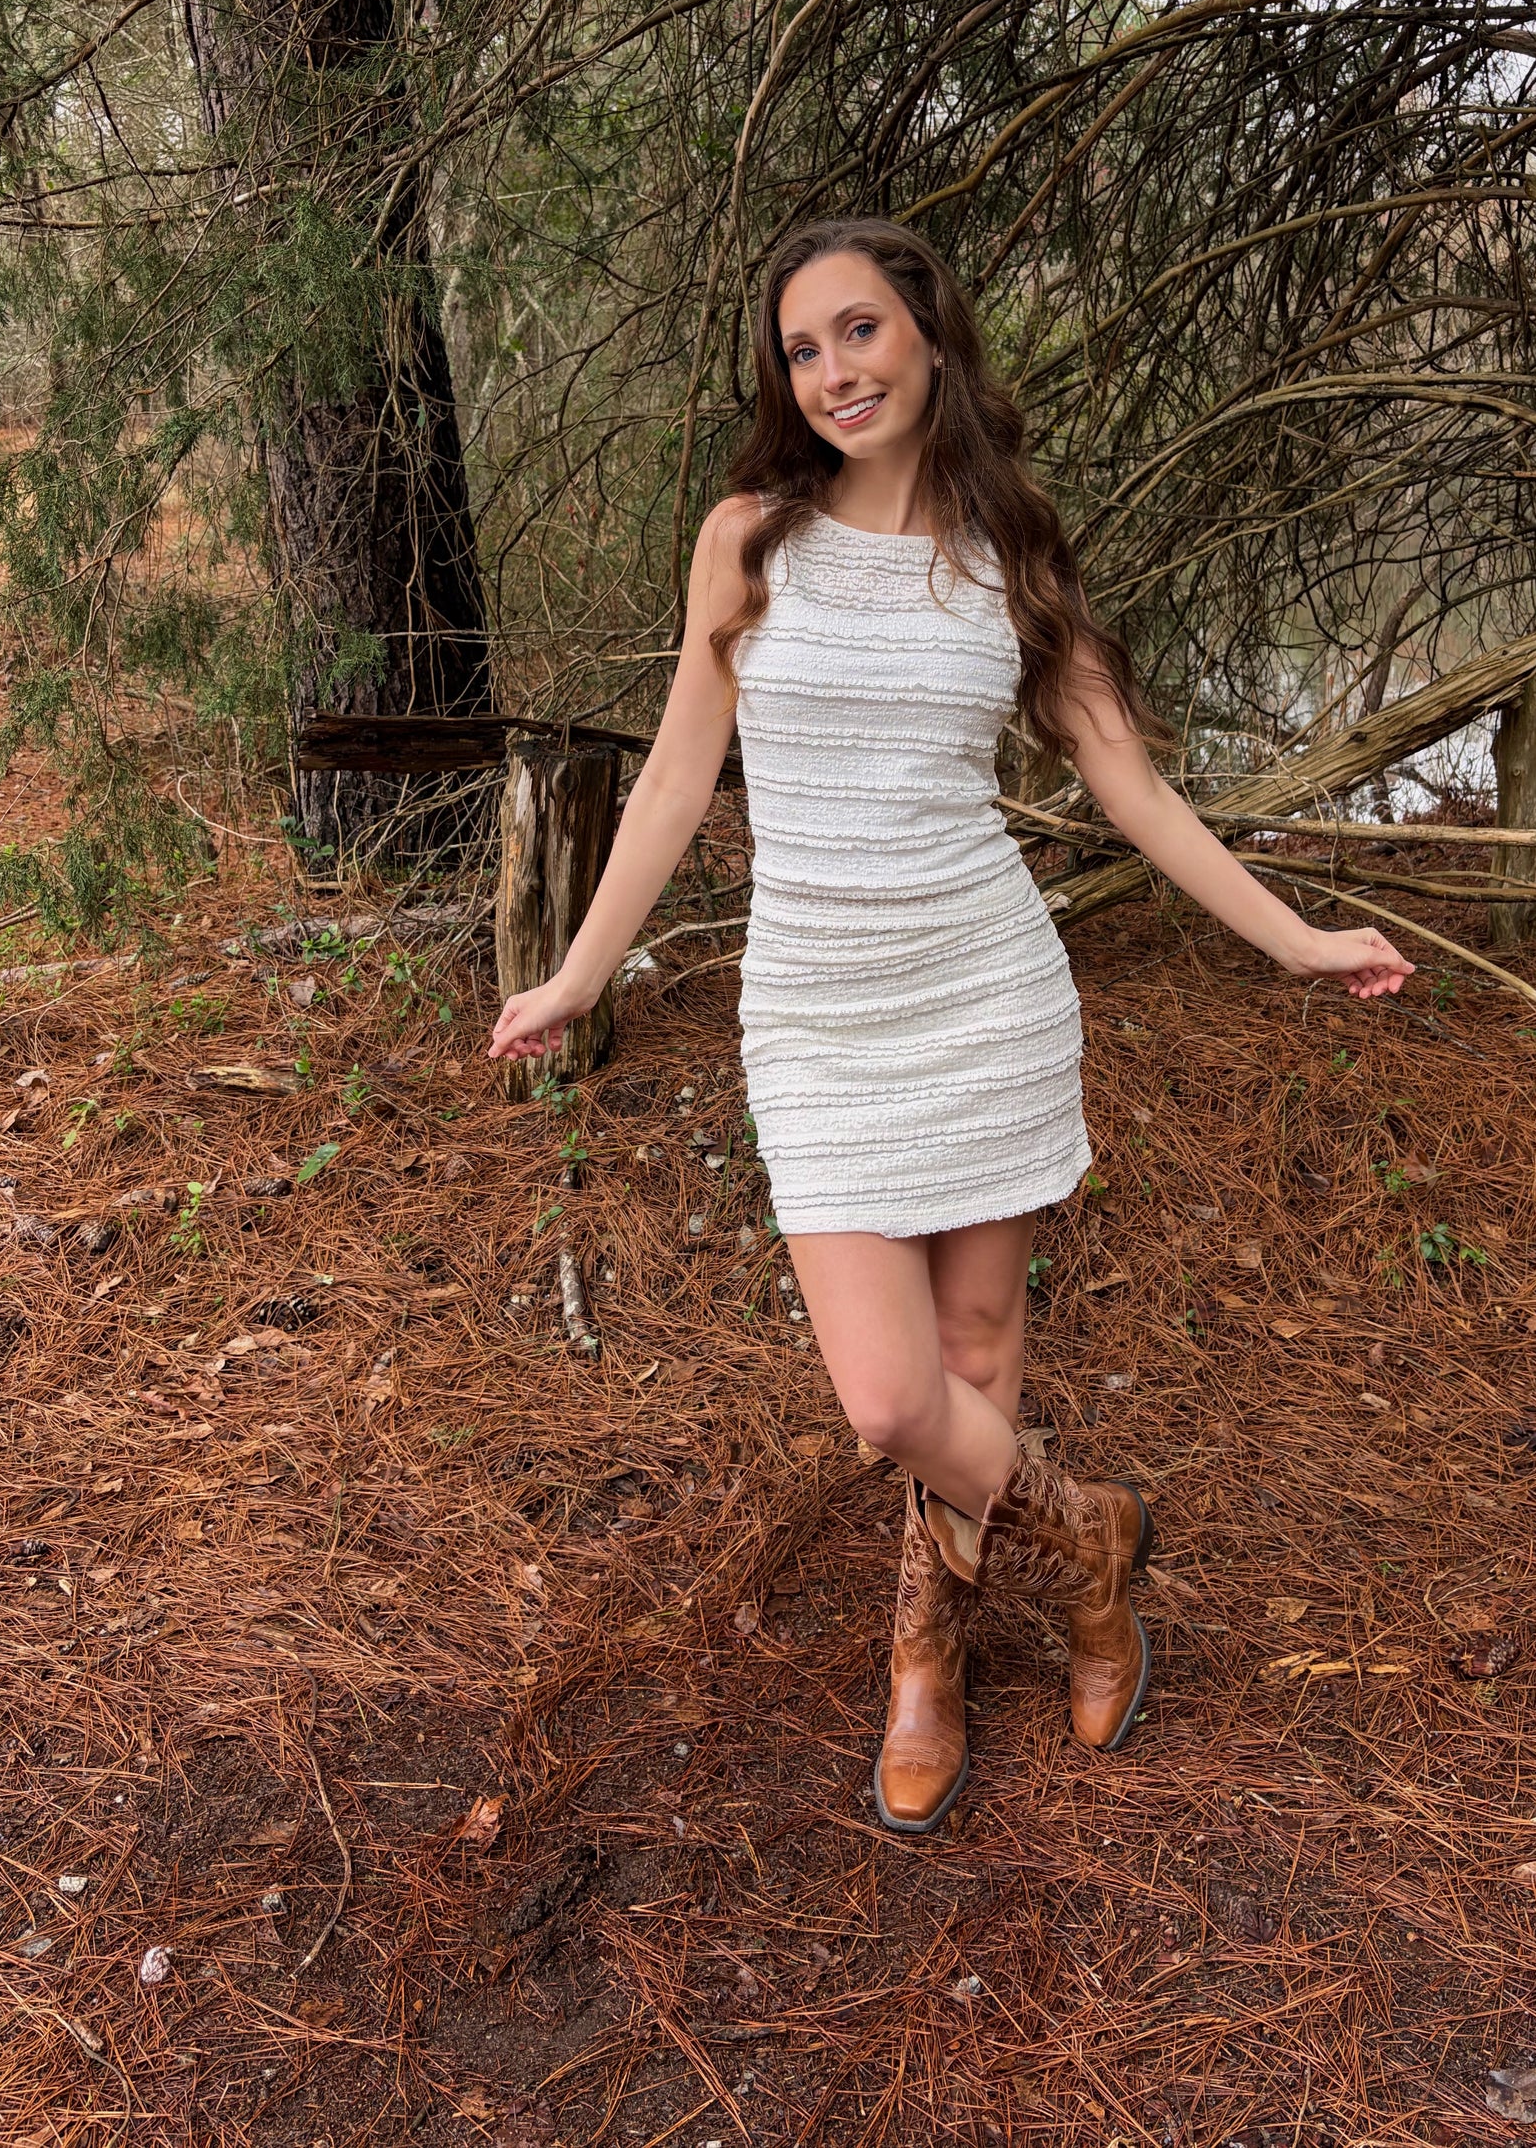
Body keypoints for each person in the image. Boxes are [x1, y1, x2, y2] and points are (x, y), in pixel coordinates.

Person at [489, 217, 1413, 1834]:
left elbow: (1131, 790)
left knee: (978, 1359)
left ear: (925, 335)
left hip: (983, 995)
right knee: (889, 1402)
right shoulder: (747, 543)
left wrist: (1295, 941)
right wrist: (578, 976)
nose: (832, 371)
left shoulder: (1010, 559)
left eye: (858, 331)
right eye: (801, 350)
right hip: (815, 1015)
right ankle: (1092, 1536)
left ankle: (925, 1653)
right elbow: (677, 777)